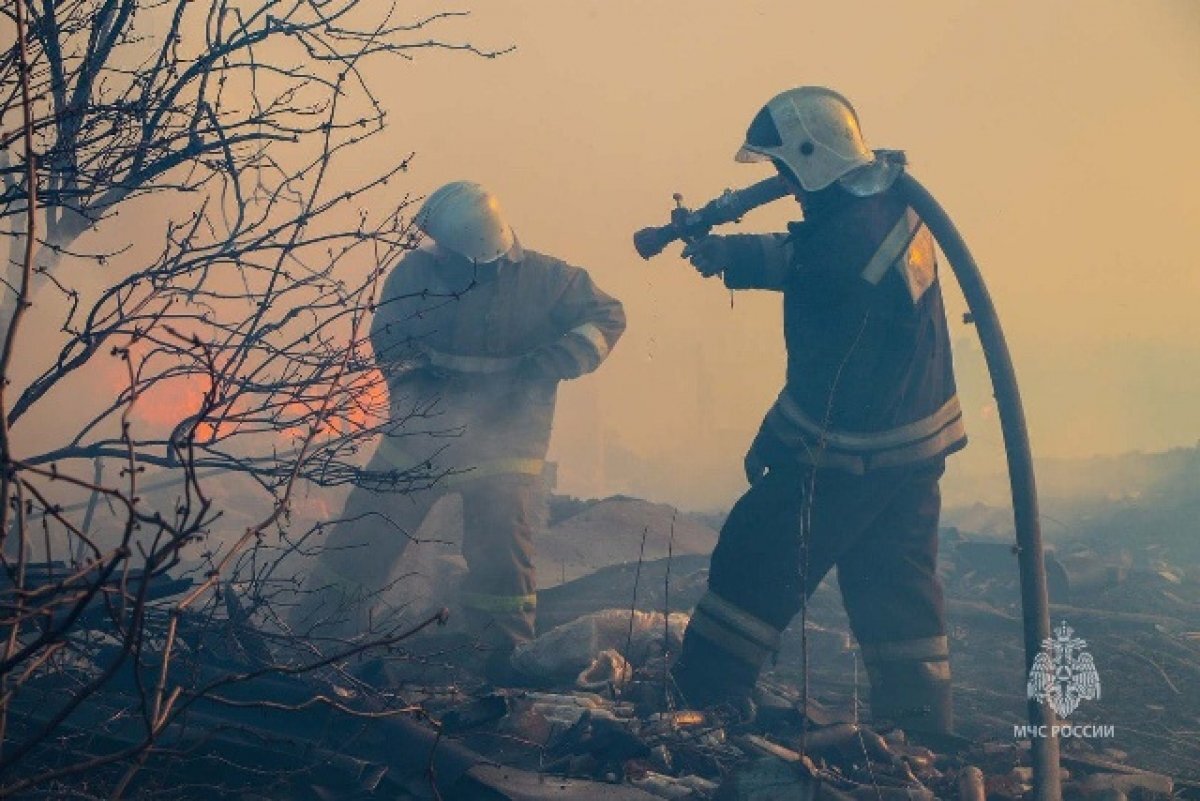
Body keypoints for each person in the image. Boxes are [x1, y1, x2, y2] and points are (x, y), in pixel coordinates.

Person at [669, 87, 966, 736]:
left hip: (856, 448)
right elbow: (814, 257)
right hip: (914, 443)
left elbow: (826, 331)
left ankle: (704, 694)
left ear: (811, 155)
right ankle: (923, 732)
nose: (783, 183)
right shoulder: (883, 199)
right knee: (896, 593)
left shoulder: (849, 239)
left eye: (785, 167)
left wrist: (773, 441)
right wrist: (733, 255)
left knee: (756, 553)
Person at [292, 181, 625, 681]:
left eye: (447, 247)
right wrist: (416, 387)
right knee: (362, 537)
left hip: (506, 448)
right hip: (419, 439)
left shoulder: (549, 280)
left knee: (501, 557)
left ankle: (504, 660)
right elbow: (390, 337)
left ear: (478, 250)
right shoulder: (415, 272)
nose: (437, 253)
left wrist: (556, 361)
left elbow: (608, 317)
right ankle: (312, 636)